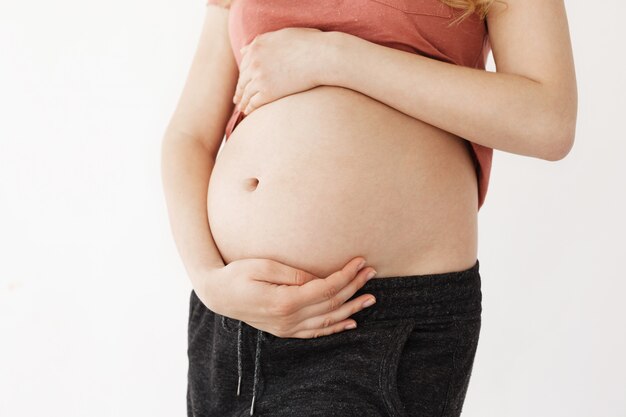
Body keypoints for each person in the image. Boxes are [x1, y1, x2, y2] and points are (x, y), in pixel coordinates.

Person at [160, 0, 577, 415]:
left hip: (372, 312)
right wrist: (210, 281)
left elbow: (548, 121)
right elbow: (190, 134)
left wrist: (334, 57)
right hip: (233, 312)